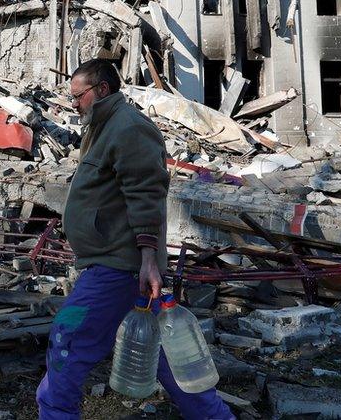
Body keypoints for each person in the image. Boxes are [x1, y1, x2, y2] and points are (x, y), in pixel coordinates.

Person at [36, 59, 234, 420]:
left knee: (68, 337)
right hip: (118, 265)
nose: (73, 104)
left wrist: (147, 261)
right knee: (163, 353)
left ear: (102, 90)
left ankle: (56, 413)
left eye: (78, 96)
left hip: (119, 267)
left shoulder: (128, 127)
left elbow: (147, 195)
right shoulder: (103, 125)